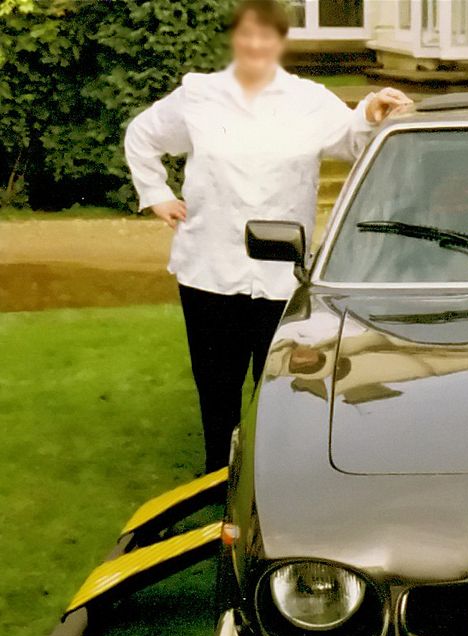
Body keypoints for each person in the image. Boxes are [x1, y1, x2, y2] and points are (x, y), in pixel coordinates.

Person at [124, 0, 411, 472]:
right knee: (216, 383)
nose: (256, 45)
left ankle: (272, 477)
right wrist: (155, 193)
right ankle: (218, 472)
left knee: (280, 385)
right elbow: (143, 135)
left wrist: (371, 112)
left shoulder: (309, 100)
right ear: (234, 39)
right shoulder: (199, 96)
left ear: (280, 42)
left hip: (283, 275)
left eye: (267, 36)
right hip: (209, 268)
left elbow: (352, 139)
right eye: (247, 35)